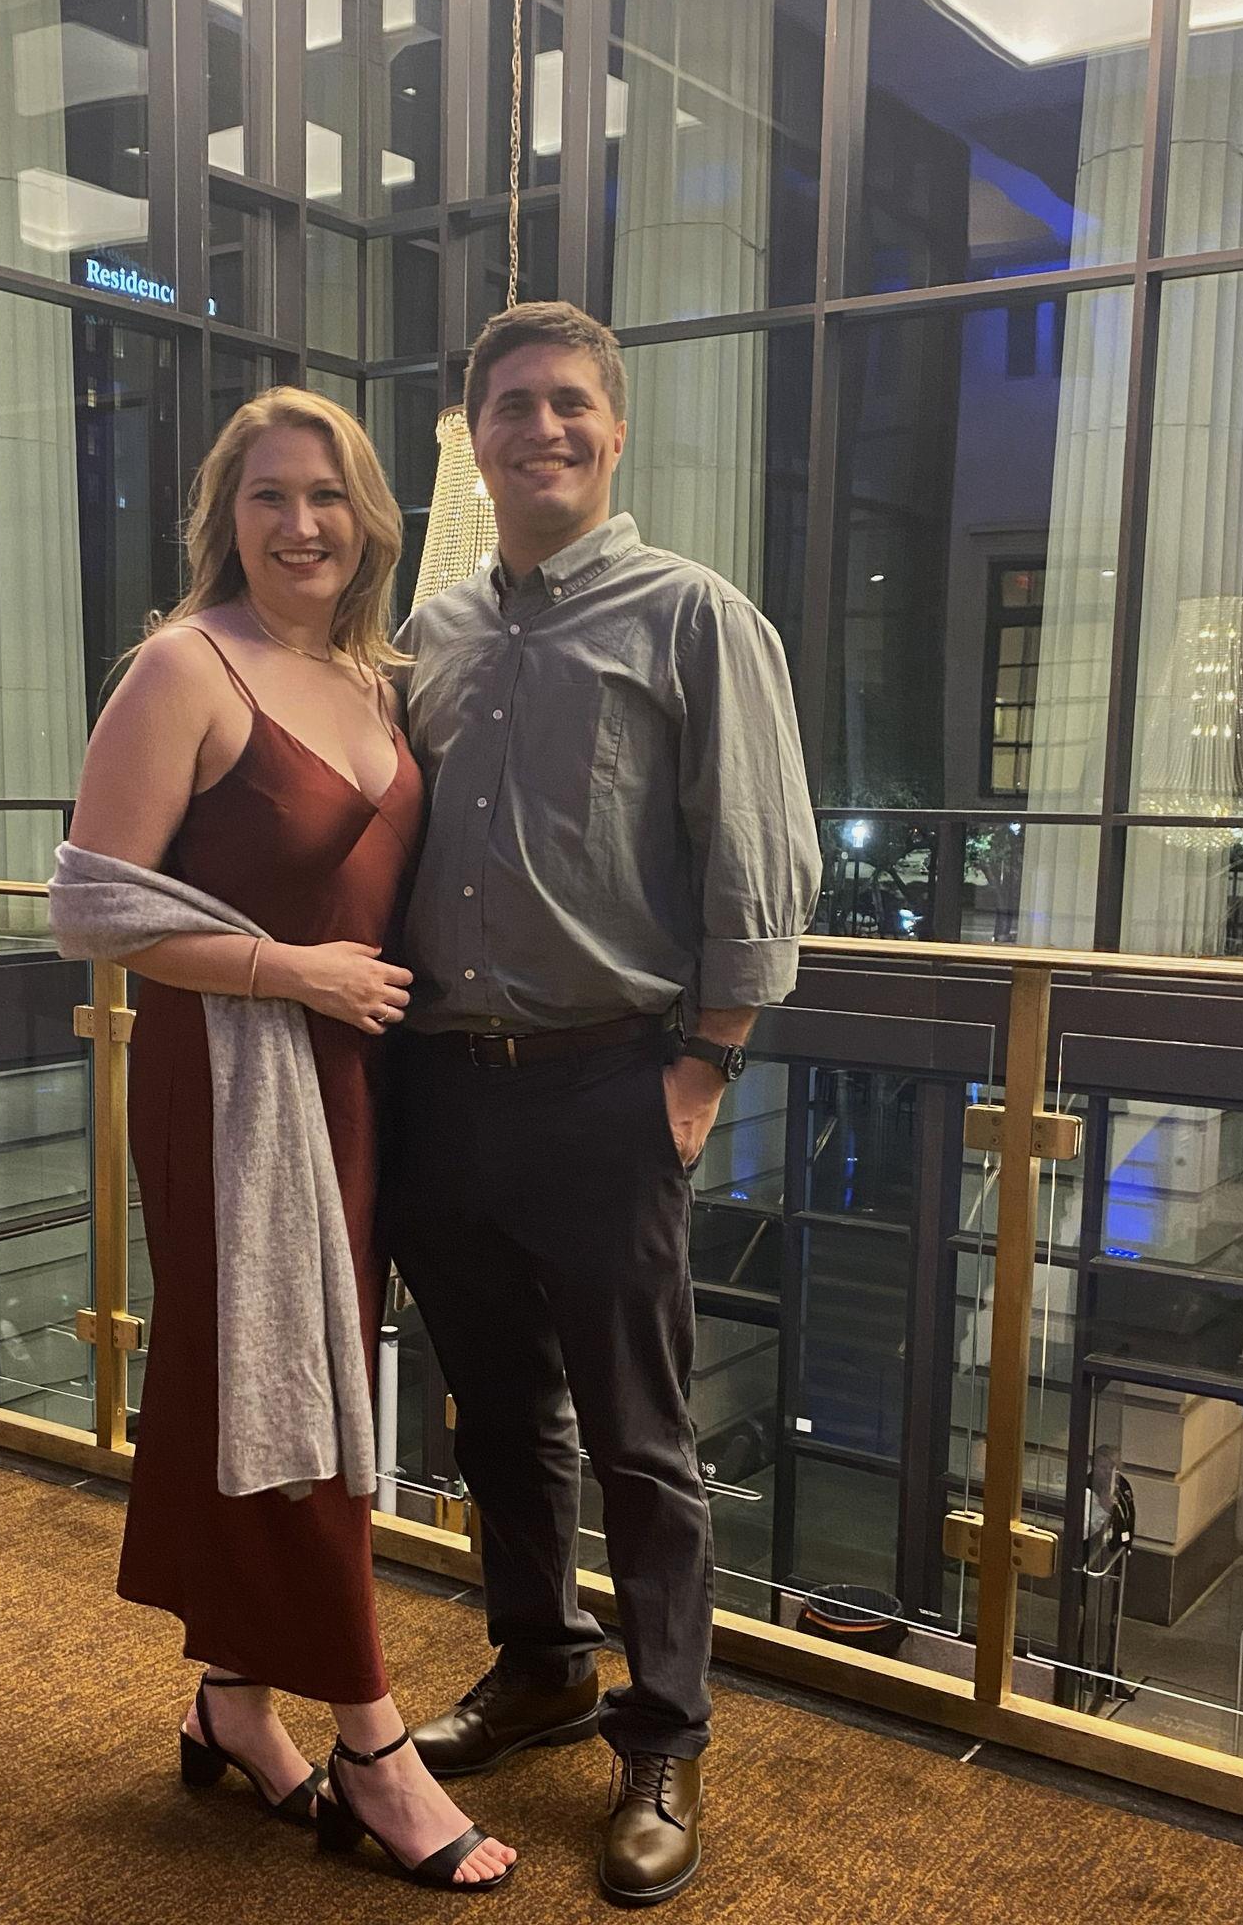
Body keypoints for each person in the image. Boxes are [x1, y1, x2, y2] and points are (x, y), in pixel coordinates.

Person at [385, 302, 822, 1908]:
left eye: (570, 402)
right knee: (496, 1413)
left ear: (614, 430)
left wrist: (703, 1068)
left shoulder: (695, 615)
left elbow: (761, 860)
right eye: (512, 405)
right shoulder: (430, 638)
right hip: (444, 1086)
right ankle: (543, 1666)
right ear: (476, 439)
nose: (543, 429)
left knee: (642, 1438)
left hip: (609, 1083)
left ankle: (667, 1731)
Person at [55, 387, 515, 1892]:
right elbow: (92, 908)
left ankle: (236, 1702)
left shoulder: (378, 681)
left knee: (288, 1386)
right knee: (290, 1395)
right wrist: (288, 972)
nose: (301, 523)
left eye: (327, 495)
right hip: (232, 1084)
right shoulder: (183, 667)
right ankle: (373, 1746)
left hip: (357, 1088)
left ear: (371, 519)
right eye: (268, 495)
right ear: (225, 517)